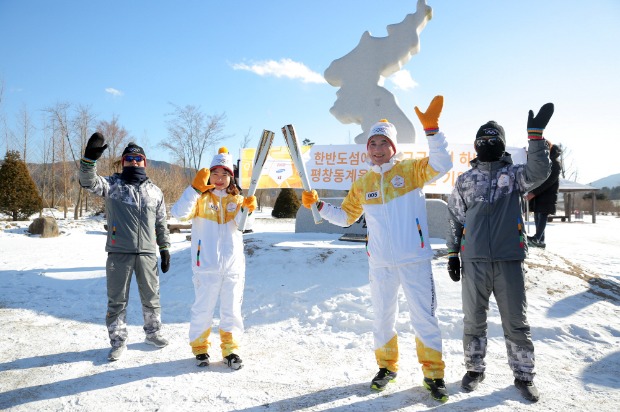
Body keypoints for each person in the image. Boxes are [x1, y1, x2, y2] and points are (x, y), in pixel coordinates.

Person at [302, 96, 453, 402]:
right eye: (373, 144)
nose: (377, 149)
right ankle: (386, 367)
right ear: (367, 149)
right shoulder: (363, 183)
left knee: (424, 318)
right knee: (383, 318)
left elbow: (442, 164)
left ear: (393, 147)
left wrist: (433, 131)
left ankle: (433, 374)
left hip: (414, 259)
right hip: (381, 263)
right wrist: (318, 205)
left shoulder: (411, 171)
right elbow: (346, 217)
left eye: (383, 143)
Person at [446, 103, 554, 402]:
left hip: (509, 260)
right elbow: (455, 217)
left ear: (502, 145)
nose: (487, 145)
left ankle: (523, 375)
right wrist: (453, 254)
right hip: (474, 262)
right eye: (482, 141)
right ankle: (474, 369)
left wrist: (535, 139)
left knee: (516, 322)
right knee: (473, 320)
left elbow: (539, 171)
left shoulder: (515, 176)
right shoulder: (466, 180)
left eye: (493, 141)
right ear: (476, 145)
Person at [79, 134, 171, 362]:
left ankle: (153, 333)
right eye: (129, 158)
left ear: (145, 162)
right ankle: (118, 342)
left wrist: (165, 248)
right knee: (117, 300)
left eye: (138, 158)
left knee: (152, 297)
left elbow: (161, 223)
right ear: (123, 162)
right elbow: (87, 181)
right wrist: (89, 160)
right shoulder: (113, 185)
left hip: (148, 254)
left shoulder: (155, 191)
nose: (134, 161)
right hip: (119, 253)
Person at [170, 147, 257, 370]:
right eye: (215, 174)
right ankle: (200, 349)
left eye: (224, 174)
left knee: (231, 310)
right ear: (209, 175)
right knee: (203, 309)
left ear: (231, 177)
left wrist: (247, 210)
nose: (219, 179)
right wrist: (194, 189)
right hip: (205, 266)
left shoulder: (236, 199)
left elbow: (245, 227)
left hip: (233, 266)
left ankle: (231, 350)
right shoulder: (199, 198)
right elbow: (178, 213)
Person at [526, 143, 562, 248]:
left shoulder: (555, 164)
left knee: (542, 216)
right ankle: (540, 240)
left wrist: (533, 192)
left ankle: (537, 238)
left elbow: (549, 182)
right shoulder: (545, 162)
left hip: (547, 195)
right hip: (540, 194)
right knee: (538, 216)